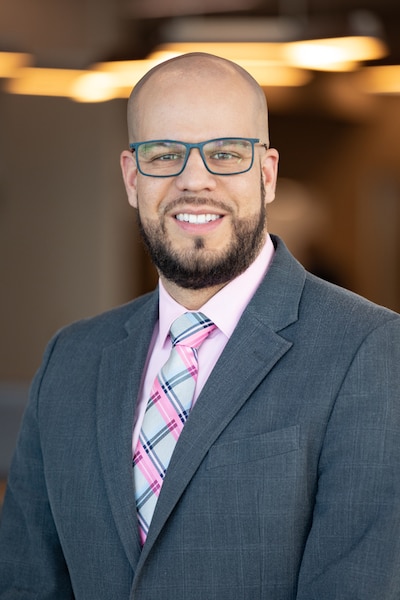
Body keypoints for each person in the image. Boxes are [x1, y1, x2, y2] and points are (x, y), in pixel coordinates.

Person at [0, 52, 399, 600]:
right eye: (163, 154)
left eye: (225, 154)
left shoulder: (369, 350)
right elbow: (26, 582)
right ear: (131, 177)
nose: (194, 181)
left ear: (267, 174)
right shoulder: (70, 359)